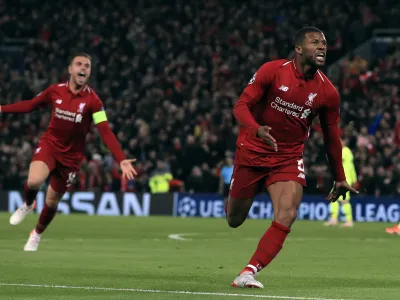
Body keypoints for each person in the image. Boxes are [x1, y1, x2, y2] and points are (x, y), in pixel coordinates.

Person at [227, 27, 358, 288]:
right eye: (315, 42)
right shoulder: (272, 71)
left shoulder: (327, 92)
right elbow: (240, 105)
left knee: (287, 212)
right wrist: (255, 129)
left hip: (287, 157)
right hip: (252, 152)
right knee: (234, 219)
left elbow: (332, 138)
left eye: (324, 43)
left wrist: (340, 177)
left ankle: (248, 272)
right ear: (299, 49)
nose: (322, 47)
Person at [0, 52, 137, 251]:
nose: (83, 68)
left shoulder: (93, 101)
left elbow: (105, 131)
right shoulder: (55, 91)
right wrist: (2, 109)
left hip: (71, 157)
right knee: (34, 181)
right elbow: (30, 105)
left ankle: (36, 233)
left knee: (52, 201)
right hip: (50, 145)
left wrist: (121, 159)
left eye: (87, 66)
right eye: (79, 64)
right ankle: (28, 204)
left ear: (89, 72)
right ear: (70, 69)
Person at [324, 138, 357, 227]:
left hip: (344, 179)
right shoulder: (347, 155)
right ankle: (334, 218)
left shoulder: (345, 151)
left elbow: (336, 159)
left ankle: (349, 220)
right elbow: (351, 167)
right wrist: (354, 179)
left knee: (344, 199)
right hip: (341, 179)